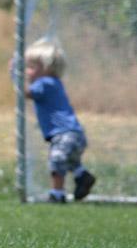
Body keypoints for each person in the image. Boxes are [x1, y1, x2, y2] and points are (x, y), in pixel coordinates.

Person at [23, 37, 96, 203]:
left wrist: (15, 77)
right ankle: (82, 176)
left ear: (47, 68)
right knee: (70, 161)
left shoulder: (44, 83)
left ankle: (57, 194)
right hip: (74, 133)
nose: (27, 72)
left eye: (31, 68)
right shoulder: (54, 82)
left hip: (64, 134)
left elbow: (26, 94)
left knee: (57, 160)